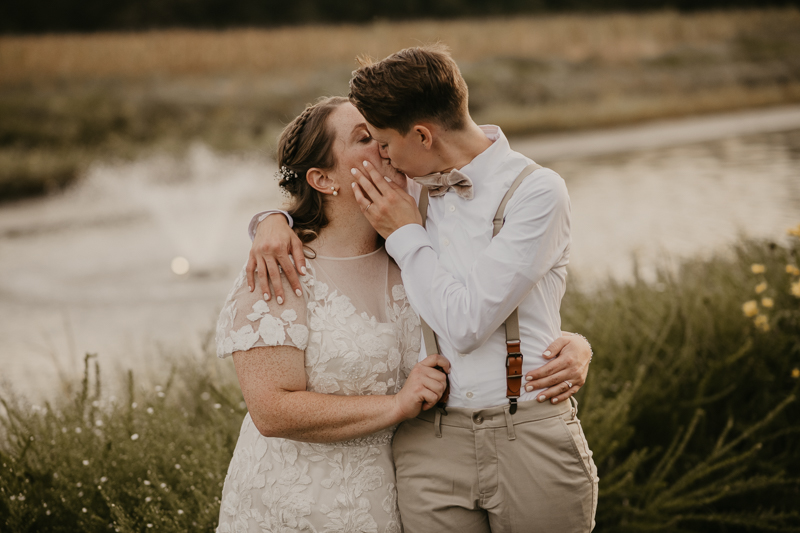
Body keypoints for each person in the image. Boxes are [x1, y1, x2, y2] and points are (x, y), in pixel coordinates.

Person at [247, 45, 598, 532]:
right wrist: (271, 221)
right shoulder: (409, 186)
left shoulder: (537, 192)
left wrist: (406, 234)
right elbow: (331, 209)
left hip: (529, 432)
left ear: (422, 135)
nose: (382, 155)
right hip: (430, 440)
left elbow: (468, 324)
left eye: (384, 141)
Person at [215, 96, 452, 533]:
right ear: (323, 179)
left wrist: (568, 343)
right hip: (295, 507)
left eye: (382, 131)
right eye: (365, 137)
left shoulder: (418, 251)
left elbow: (489, 304)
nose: (383, 143)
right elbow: (271, 410)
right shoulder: (279, 267)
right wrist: (397, 405)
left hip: (397, 501)